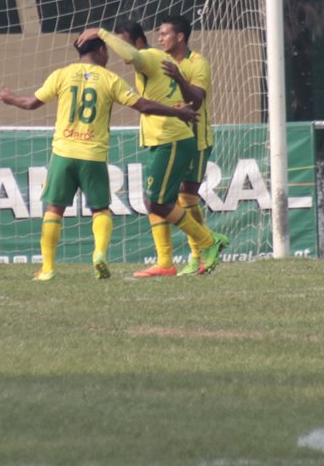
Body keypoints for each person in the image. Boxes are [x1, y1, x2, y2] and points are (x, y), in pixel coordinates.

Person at [0, 37, 199, 281]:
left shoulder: (62, 74)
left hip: (63, 153)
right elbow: (143, 105)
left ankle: (47, 268)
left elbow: (31, 103)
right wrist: (176, 111)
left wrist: (11, 98)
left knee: (53, 210)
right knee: (100, 209)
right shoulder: (109, 79)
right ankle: (99, 254)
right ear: (102, 50)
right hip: (92, 154)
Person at [76, 20, 227, 277]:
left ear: (135, 43)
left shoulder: (146, 57)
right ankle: (167, 261)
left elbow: (133, 57)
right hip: (164, 138)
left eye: (121, 42)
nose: (114, 49)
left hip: (175, 138)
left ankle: (207, 243)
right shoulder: (159, 58)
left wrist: (101, 33)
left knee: (163, 200)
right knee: (157, 201)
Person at [154, 15, 216, 276]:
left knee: (186, 197)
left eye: (164, 33)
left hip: (196, 140)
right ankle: (180, 256)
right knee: (163, 197)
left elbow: (197, 101)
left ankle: (198, 254)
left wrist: (180, 79)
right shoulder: (160, 63)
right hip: (171, 140)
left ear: (180, 37)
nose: (160, 38)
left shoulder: (197, 63)